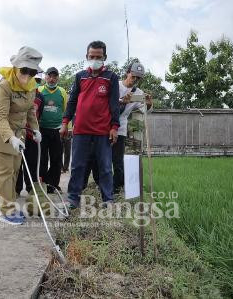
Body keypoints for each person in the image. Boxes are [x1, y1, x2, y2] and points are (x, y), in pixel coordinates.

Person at [60, 40, 120, 208]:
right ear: (86, 56)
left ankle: (108, 200)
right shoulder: (80, 76)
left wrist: (114, 127)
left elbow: (114, 104)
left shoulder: (111, 78)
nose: (95, 59)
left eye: (98, 57)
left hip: (103, 131)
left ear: (104, 57)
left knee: (106, 167)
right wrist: (65, 122)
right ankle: (73, 199)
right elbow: (71, 102)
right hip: (81, 130)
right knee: (77, 165)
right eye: (91, 56)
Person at [0, 46, 43, 225]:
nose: (27, 75)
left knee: (13, 173)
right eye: (24, 70)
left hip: (18, 135)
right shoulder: (5, 86)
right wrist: (10, 137)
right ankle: (6, 211)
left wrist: (35, 129)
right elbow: (1, 117)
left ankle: (10, 205)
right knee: (3, 174)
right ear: (16, 67)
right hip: (2, 135)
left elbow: (30, 112)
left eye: (32, 72)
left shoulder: (31, 86)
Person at [113, 61, 152, 192]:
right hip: (105, 127)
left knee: (118, 161)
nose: (134, 80)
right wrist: (121, 101)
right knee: (101, 159)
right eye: (133, 76)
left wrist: (149, 104)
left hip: (121, 128)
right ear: (127, 73)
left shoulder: (138, 93)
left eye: (138, 78)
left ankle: (117, 187)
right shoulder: (114, 85)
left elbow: (145, 110)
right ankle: (101, 184)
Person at [37, 67, 68, 193]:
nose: (52, 79)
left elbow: (66, 111)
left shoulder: (62, 92)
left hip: (57, 130)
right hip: (42, 129)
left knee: (56, 159)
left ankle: (53, 185)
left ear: (58, 78)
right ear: (45, 77)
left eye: (54, 76)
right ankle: (43, 184)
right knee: (42, 159)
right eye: (49, 76)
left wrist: (66, 128)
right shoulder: (39, 90)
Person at [16, 78, 44, 195]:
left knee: (31, 162)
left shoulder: (40, 97)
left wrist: (36, 131)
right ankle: (16, 189)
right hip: (18, 133)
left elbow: (38, 115)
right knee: (17, 162)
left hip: (31, 134)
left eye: (37, 80)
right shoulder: (19, 93)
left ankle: (30, 187)